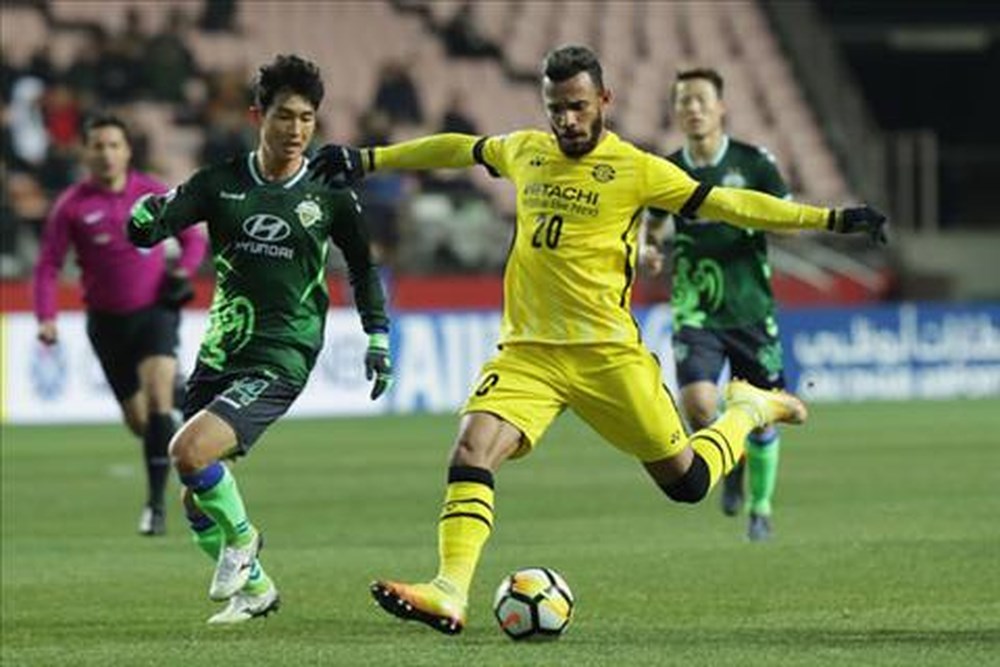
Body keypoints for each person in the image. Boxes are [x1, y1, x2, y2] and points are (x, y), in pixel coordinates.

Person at [309, 44, 886, 635]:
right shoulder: (525, 150)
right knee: (470, 450)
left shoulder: (636, 169)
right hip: (528, 354)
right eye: (555, 108)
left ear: (604, 100)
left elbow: (729, 204)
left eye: (578, 106)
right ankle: (450, 589)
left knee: (687, 484)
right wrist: (368, 158)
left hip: (609, 358)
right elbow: (458, 148)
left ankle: (748, 408)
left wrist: (829, 220)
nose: (566, 120)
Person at [127, 54, 393, 625]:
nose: (296, 131)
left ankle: (245, 542)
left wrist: (378, 336)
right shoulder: (220, 184)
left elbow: (364, 268)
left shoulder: (328, 191)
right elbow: (153, 226)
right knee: (194, 496)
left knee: (188, 451)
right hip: (222, 349)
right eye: (284, 117)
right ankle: (257, 590)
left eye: (306, 119)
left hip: (284, 353)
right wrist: (141, 219)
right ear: (258, 116)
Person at [33, 113, 207, 536]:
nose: (107, 153)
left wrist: (183, 272)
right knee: (140, 422)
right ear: (86, 152)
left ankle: (155, 508)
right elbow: (47, 266)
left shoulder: (150, 192)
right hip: (106, 325)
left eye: (114, 145)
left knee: (157, 399)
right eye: (98, 146)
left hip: (155, 313)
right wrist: (47, 318)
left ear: (127, 150)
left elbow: (193, 238)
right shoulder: (72, 205)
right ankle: (183, 397)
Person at [643, 68, 796, 541]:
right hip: (695, 308)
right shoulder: (667, 170)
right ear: (675, 111)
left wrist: (754, 218)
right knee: (699, 406)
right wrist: (649, 248)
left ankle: (761, 506)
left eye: (701, 100)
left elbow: (788, 218)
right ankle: (735, 458)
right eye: (684, 101)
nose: (692, 108)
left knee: (766, 413)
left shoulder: (754, 163)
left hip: (751, 307)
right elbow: (653, 228)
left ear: (721, 107)